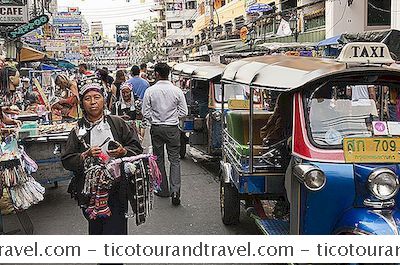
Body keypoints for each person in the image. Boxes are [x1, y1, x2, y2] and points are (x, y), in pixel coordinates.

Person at [61, 77, 142, 236]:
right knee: (96, 230)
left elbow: (137, 149)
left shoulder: (118, 123)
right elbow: (67, 160)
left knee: (116, 230)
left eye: (97, 97)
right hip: (90, 191)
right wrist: (85, 154)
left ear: (103, 101)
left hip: (118, 189)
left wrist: (123, 152)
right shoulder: (78, 130)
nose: (92, 102)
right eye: (87, 98)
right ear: (82, 103)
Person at [142, 63, 188, 205]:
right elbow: (184, 112)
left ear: (156, 74)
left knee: (159, 159)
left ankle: (163, 189)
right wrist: (173, 118)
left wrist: (155, 119)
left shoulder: (150, 91)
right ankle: (175, 191)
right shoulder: (177, 90)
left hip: (156, 128)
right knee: (174, 160)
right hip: (172, 128)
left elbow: (145, 112)